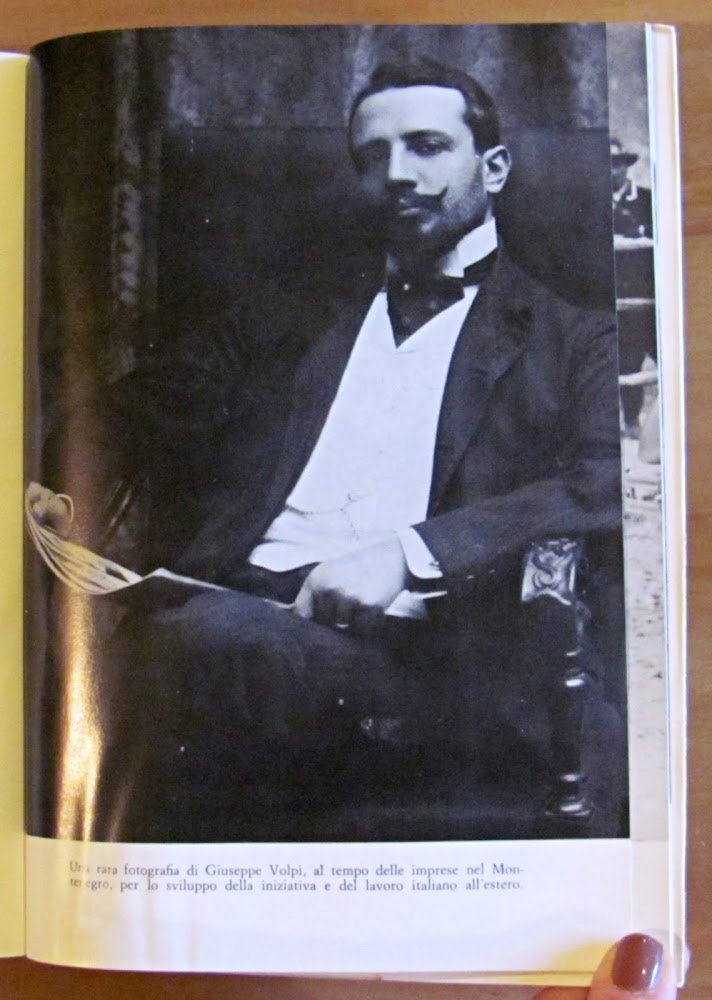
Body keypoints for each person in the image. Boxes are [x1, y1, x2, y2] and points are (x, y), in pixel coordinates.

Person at [35, 58, 626, 842]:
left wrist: (412, 553)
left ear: (494, 168)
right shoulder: (287, 319)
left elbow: (605, 479)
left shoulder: (577, 341)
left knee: (195, 653)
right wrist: (52, 481)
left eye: (426, 146)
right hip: (240, 603)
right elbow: (135, 407)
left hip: (424, 654)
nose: (397, 174)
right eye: (373, 156)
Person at [611, 137, 653, 239]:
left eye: (615, 163)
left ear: (626, 164)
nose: (610, 170)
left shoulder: (647, 199)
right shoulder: (592, 202)